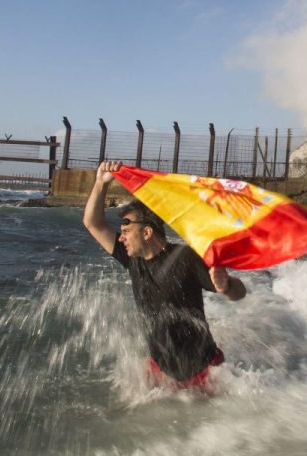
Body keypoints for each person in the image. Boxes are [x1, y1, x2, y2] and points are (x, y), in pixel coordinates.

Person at [83, 160, 246, 388]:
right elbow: (93, 223)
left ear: (147, 232)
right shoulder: (132, 260)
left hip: (204, 373)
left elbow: (240, 293)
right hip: (159, 369)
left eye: (126, 231)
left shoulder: (185, 258)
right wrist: (101, 182)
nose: (121, 238)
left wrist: (226, 286)